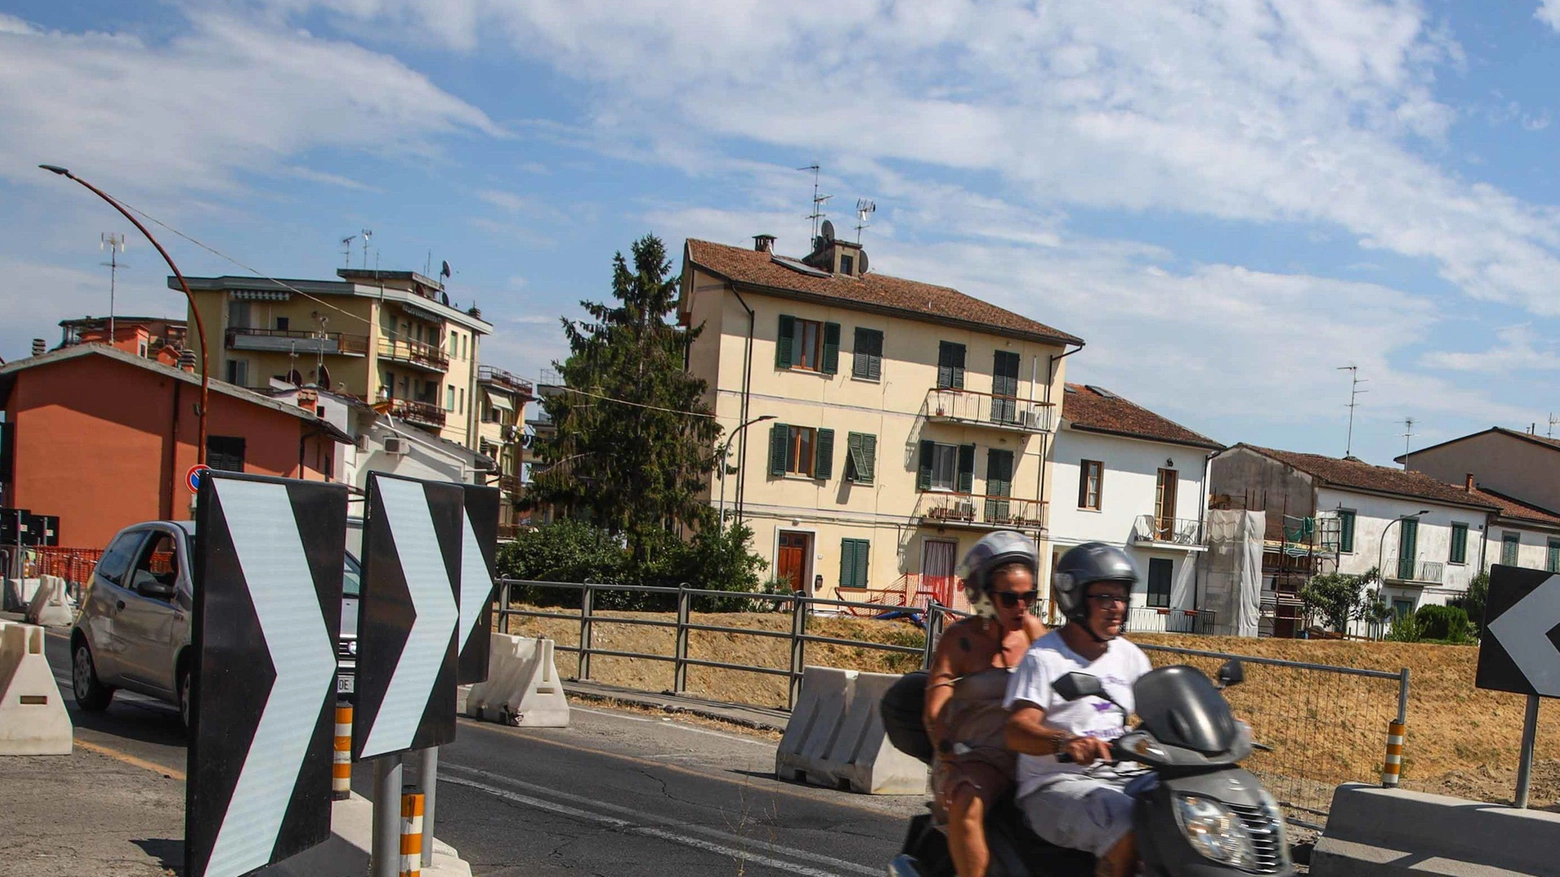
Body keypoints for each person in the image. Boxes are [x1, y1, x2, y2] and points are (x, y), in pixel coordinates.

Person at [1003, 543, 1153, 877]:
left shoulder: (1130, 656)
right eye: (1104, 598)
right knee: (1128, 822)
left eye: (1121, 597)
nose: (1116, 608)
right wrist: (1065, 742)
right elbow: (1016, 729)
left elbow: (1160, 710)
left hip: (1119, 779)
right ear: (1074, 598)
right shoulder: (1045, 658)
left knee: (1183, 810)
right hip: (1053, 785)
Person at [923, 531, 1048, 877]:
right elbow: (934, 711)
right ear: (984, 595)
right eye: (1010, 598)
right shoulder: (959, 641)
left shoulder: (1036, 633)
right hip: (974, 755)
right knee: (966, 805)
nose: (1021, 607)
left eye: (1029, 596)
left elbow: (1066, 680)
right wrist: (949, 762)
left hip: (1028, 751)